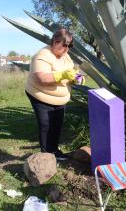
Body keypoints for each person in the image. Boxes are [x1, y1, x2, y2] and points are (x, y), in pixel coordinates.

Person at [25, 28, 77, 160]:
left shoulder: (66, 57)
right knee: (46, 124)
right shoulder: (42, 55)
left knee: (57, 124)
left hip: (60, 99)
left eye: (69, 45)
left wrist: (76, 79)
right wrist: (62, 75)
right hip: (39, 94)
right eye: (64, 44)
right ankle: (46, 155)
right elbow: (42, 78)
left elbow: (71, 73)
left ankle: (54, 150)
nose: (67, 48)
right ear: (55, 41)